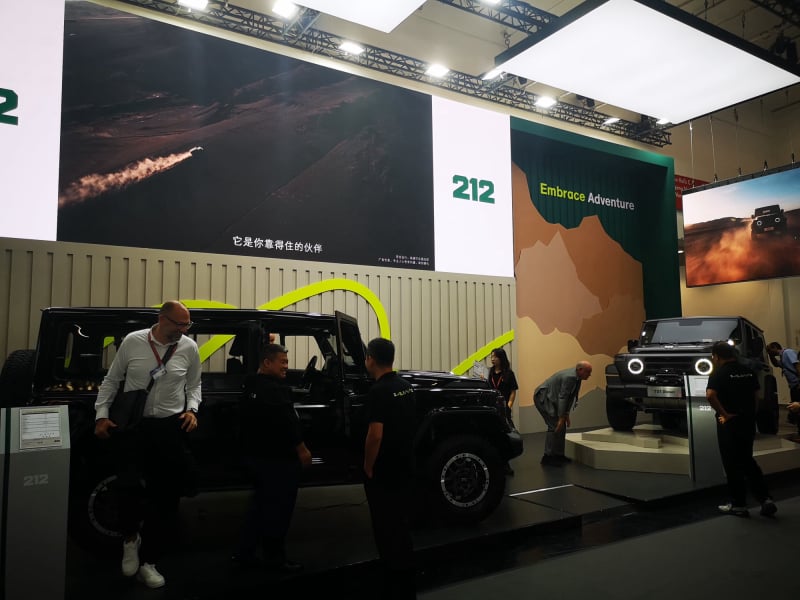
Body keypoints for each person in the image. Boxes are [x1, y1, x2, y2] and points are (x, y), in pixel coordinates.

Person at [94, 300, 201, 589]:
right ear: (162, 319)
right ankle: (131, 540)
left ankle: (149, 561)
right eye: (179, 324)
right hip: (133, 426)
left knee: (166, 496)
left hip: (169, 428)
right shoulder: (133, 341)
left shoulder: (189, 347)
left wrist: (192, 409)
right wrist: (101, 415)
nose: (183, 330)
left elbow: (194, 384)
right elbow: (112, 380)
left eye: (187, 325)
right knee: (127, 487)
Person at [233, 343, 312, 572]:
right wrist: (302, 450)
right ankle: (275, 558)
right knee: (279, 510)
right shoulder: (276, 391)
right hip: (279, 460)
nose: (286, 366)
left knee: (258, 507)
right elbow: (289, 423)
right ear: (267, 363)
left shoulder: (250, 384)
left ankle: (245, 553)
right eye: (282, 362)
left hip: (256, 457)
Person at [363, 338, 417, 600]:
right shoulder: (406, 387)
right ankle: (406, 570)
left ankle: (392, 575)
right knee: (401, 520)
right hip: (405, 464)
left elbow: (375, 435)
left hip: (384, 469)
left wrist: (367, 466)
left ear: (371, 359)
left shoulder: (378, 392)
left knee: (385, 525)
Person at [707, 341, 777, 517]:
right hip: (747, 421)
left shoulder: (719, 374)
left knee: (731, 464)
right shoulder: (748, 371)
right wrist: (751, 414)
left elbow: (710, 395)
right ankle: (765, 499)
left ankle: (739, 505)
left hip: (729, 423)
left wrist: (724, 414)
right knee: (747, 460)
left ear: (716, 356)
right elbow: (756, 395)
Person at [534, 361, 593, 466]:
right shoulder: (570, 377)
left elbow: (570, 397)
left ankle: (559, 455)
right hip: (543, 397)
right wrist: (561, 417)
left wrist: (566, 414)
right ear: (580, 370)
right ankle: (547, 457)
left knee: (562, 426)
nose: (590, 375)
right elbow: (563, 397)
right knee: (554, 426)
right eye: (588, 372)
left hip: (553, 398)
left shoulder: (577, 378)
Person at [486, 348, 518, 475]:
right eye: (491, 357)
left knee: (505, 435)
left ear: (501, 358)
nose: (492, 359)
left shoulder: (509, 374)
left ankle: (505, 464)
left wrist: (509, 405)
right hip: (491, 408)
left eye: (495, 357)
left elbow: (513, 391)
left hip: (504, 409)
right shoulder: (489, 372)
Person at [767, 342, 800, 437]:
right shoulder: (782, 357)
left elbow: (797, 365)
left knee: (797, 408)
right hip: (793, 386)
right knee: (795, 408)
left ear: (775, 347)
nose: (769, 352)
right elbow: (776, 364)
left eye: (769, 350)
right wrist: (770, 355)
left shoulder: (788, 352)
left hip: (797, 384)